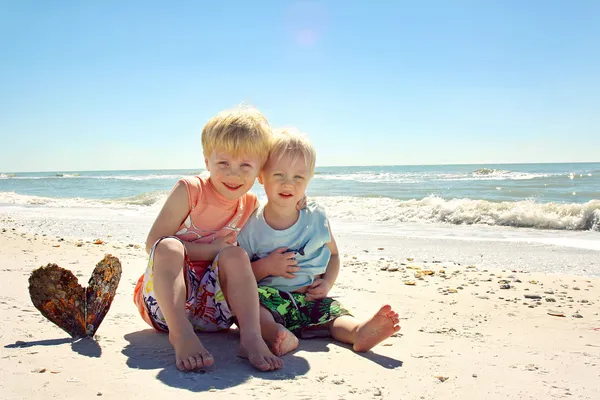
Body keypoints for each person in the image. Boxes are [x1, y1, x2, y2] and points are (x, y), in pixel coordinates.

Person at [133, 106, 287, 372]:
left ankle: (250, 337)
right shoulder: (191, 190)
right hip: (165, 309)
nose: (233, 174)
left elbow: (278, 219)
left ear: (260, 171)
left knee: (236, 255)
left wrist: (298, 204)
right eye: (223, 163)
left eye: (245, 165)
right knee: (169, 245)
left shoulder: (249, 203)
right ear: (207, 161)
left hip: (213, 313)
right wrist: (211, 250)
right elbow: (152, 244)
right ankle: (181, 335)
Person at [237, 129, 401, 356]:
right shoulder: (251, 227)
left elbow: (333, 255)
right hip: (272, 300)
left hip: (310, 298)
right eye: (279, 175)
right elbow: (240, 279)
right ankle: (276, 334)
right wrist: (266, 267)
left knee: (335, 313)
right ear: (261, 176)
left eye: (298, 177)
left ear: (309, 179)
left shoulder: (316, 218)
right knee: (254, 308)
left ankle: (358, 332)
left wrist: (327, 284)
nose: (288, 184)